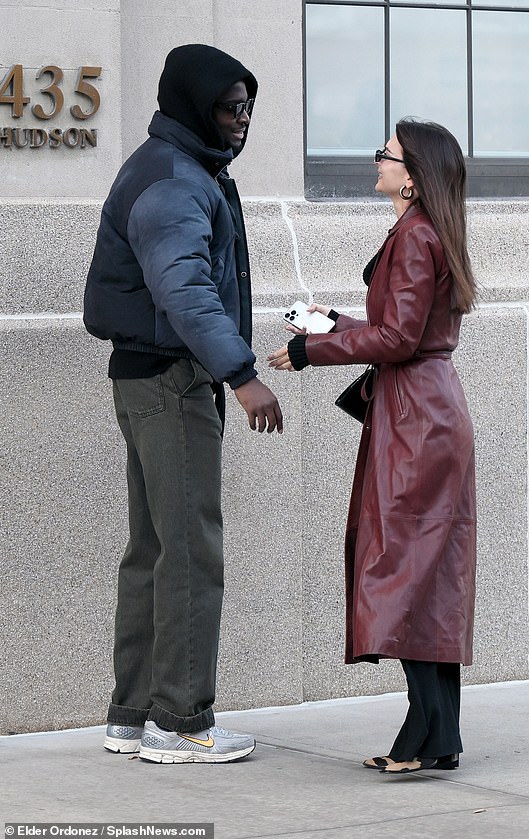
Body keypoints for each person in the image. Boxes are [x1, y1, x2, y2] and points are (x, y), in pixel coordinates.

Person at [84, 44, 283, 764]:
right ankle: (182, 719)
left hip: (146, 376)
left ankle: (133, 715)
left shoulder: (175, 165)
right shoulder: (174, 180)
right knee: (191, 551)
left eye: (248, 106)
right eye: (231, 107)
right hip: (173, 380)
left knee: (155, 550)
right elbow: (186, 290)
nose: (243, 120)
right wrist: (241, 372)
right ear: (196, 104)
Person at [268, 119, 477, 774]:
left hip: (418, 421)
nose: (377, 160)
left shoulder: (415, 238)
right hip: (427, 413)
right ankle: (437, 734)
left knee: (406, 569)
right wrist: (335, 324)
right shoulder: (422, 233)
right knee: (426, 571)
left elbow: (398, 341)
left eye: (385, 153)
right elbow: (397, 329)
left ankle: (424, 734)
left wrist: (310, 349)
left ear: (412, 174)